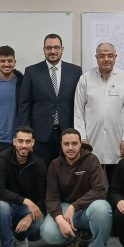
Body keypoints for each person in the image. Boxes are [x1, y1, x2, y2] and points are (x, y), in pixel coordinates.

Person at [40, 129, 112, 247]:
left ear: (81, 144)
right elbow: (51, 198)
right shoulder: (55, 165)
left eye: (74, 143)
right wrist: (60, 220)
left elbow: (100, 190)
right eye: (66, 144)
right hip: (65, 209)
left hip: (88, 208)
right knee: (48, 233)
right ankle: (75, 236)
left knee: (102, 208)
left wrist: (74, 206)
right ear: (61, 145)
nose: (70, 147)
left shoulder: (91, 160)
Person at [74, 42, 124, 179]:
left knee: (117, 181)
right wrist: (81, 138)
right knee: (92, 179)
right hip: (91, 140)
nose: (106, 59)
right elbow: (78, 111)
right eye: (102, 56)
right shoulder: (85, 78)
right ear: (96, 57)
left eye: (110, 55)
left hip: (118, 140)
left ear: (115, 57)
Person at [18, 34, 82, 165]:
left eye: (56, 47)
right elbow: (24, 104)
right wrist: (25, 133)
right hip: (40, 134)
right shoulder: (31, 71)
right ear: (44, 50)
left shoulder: (75, 71)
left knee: (66, 170)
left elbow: (80, 103)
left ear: (62, 49)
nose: (53, 51)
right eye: (49, 48)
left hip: (67, 133)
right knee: (42, 170)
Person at [0, 126, 46, 247]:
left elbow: (42, 196)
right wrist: (25, 200)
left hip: (25, 209)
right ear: (14, 142)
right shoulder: (2, 159)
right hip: (6, 205)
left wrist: (30, 216)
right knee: (2, 206)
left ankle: (20, 236)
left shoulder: (39, 164)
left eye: (28, 142)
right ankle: (7, 246)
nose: (24, 145)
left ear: (32, 143)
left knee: (40, 222)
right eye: (20, 141)